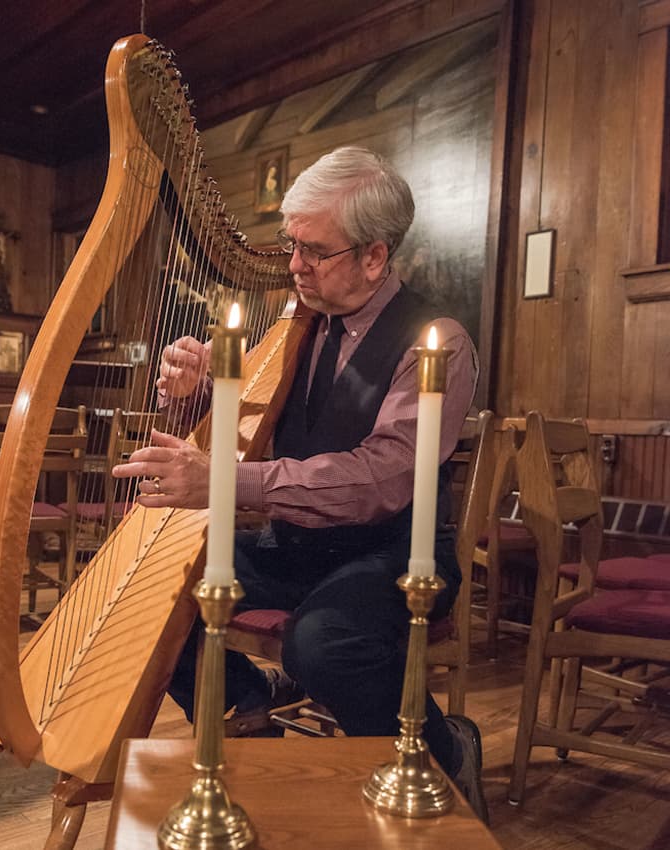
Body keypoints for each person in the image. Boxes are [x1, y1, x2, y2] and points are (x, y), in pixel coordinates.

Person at [112, 146, 488, 823]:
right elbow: (248, 433)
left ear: (374, 256)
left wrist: (230, 481)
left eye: (314, 250)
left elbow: (383, 477)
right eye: (290, 245)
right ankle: (249, 704)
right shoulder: (298, 323)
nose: (293, 266)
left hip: (391, 554)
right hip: (295, 544)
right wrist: (200, 395)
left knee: (320, 644)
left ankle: (442, 754)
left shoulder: (436, 343)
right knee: (151, 588)